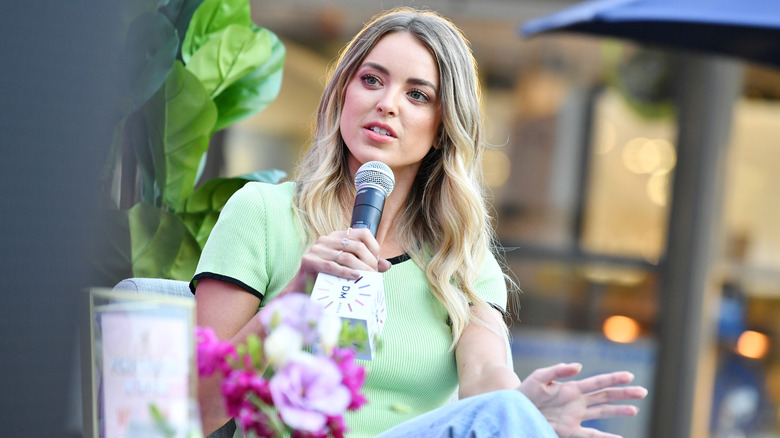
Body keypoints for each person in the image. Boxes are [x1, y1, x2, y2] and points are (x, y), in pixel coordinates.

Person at [192, 7, 647, 438]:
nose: (387, 104)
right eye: (371, 80)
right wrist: (294, 297)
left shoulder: (460, 258)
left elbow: (485, 375)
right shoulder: (262, 214)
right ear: (343, 94)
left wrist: (523, 408)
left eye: (417, 94)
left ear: (442, 126)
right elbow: (195, 407)